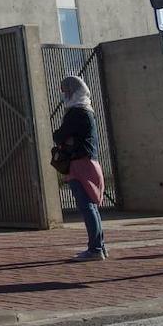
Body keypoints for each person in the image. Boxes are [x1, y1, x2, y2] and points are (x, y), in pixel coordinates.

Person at [54, 75, 108, 261]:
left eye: (65, 91)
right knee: (91, 207)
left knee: (87, 207)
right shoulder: (87, 109)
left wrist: (60, 137)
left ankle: (95, 249)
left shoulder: (76, 112)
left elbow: (59, 135)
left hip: (79, 163)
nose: (63, 95)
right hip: (89, 161)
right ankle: (99, 246)